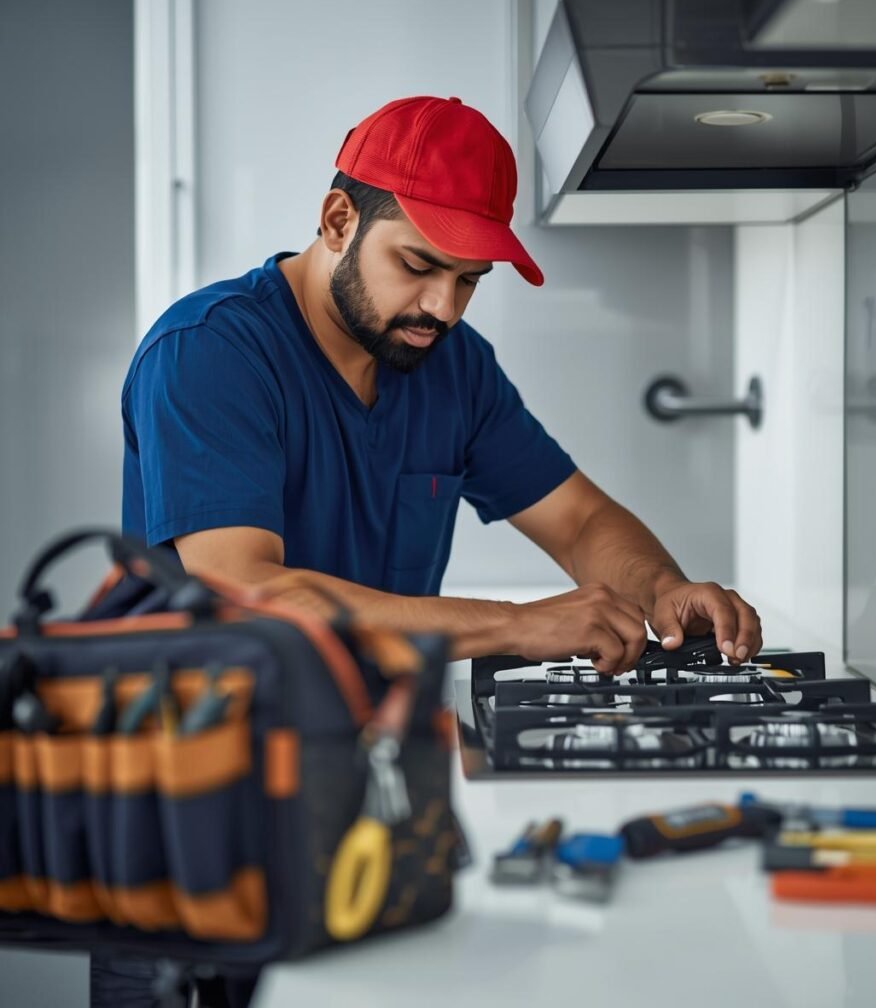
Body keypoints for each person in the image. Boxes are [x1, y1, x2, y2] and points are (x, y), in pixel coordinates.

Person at [98, 95, 762, 1007]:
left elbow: (575, 520)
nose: (442, 307)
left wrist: (663, 588)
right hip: (198, 812)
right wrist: (517, 625)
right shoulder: (210, 353)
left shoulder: (449, 364)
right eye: (419, 266)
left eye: (470, 280)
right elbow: (241, 592)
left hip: (366, 789)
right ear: (338, 220)